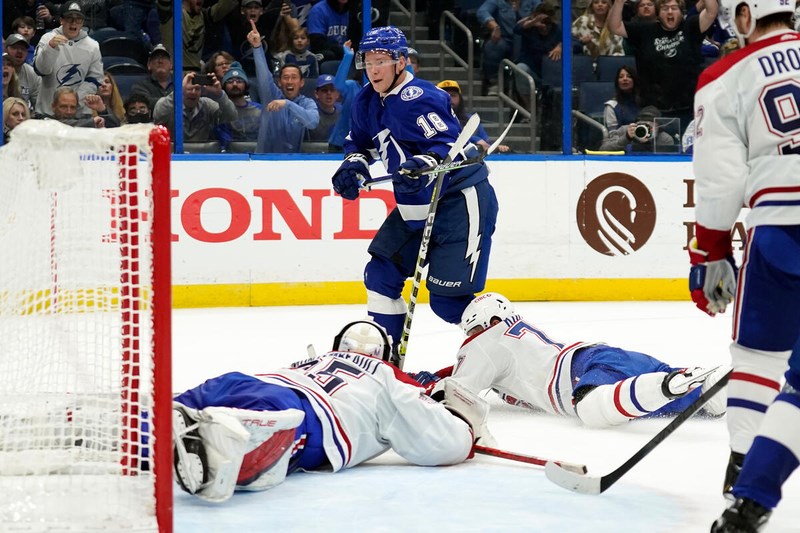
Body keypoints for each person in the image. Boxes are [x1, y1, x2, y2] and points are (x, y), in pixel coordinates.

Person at [688, 0, 800, 528]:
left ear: (745, 15)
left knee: (757, 353)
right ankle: (753, 487)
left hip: (778, 229)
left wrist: (710, 251)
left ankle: (743, 470)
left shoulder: (724, 74)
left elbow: (721, 178)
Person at [171, 320, 488, 502]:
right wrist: (463, 424)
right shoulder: (388, 377)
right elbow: (442, 444)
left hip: (247, 382)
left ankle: (150, 430)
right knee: (250, 444)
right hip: (304, 414)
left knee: (170, 413)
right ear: (386, 356)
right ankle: (218, 445)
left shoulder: (313, 360)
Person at [329, 26, 498, 362]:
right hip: (414, 203)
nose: (373, 69)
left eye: (381, 61)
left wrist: (425, 162)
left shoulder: (422, 97)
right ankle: (384, 364)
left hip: (459, 200)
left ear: (401, 61)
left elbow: (449, 144)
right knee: (380, 276)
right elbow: (358, 143)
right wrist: (353, 165)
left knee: (448, 302)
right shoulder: (365, 100)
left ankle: (517, 351)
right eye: (368, 62)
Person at [414, 293, 729, 431]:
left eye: (471, 330)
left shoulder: (486, 341)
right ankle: (702, 381)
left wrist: (418, 387)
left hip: (584, 372)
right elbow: (456, 374)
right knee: (707, 399)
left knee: (591, 408)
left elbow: (455, 392)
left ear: (487, 323)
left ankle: (668, 384)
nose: (469, 338)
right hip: (605, 358)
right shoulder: (509, 338)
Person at [607, 0, 718, 133]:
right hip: (654, 109)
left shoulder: (691, 26)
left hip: (689, 107)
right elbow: (614, 27)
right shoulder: (645, 30)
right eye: (665, 8)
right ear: (658, 14)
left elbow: (711, 12)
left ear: (681, 13)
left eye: (674, 8)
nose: (670, 12)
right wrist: (619, 2)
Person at [247, 20, 319, 152]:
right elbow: (263, 74)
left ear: (301, 82)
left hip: (291, 162)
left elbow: (313, 123)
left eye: (294, 77)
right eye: (285, 77)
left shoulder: (307, 103)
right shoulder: (271, 95)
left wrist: (287, 104)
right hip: (263, 160)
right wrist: (257, 47)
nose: (289, 81)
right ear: (279, 82)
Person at [32, 2, 103, 119]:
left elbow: (95, 78)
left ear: (82, 23)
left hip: (79, 113)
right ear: (61, 20)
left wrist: (74, 99)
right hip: (48, 112)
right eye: (69, 18)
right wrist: (50, 48)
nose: (73, 23)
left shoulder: (93, 46)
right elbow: (41, 70)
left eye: (78, 19)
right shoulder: (48, 38)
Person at [152, 71, 237, 143]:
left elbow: (231, 116)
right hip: (175, 153)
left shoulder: (208, 105)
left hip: (201, 153)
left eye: (197, 89)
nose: (193, 92)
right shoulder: (169, 104)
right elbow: (158, 115)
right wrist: (178, 91)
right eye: (189, 89)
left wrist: (219, 95)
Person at [477, 0, 539, 96]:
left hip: (528, 40)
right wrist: (495, 27)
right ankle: (494, 82)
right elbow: (482, 12)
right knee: (493, 45)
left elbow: (543, 11)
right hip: (506, 39)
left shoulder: (532, 1)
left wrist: (534, 20)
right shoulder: (497, 1)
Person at [512, 2, 562, 110]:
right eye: (542, 21)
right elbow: (516, 29)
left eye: (547, 22)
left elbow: (574, 42)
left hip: (551, 72)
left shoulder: (557, 29)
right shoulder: (529, 28)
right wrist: (533, 21)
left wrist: (560, 46)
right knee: (521, 68)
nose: (545, 26)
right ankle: (529, 109)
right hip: (532, 69)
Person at [436, 79, 510, 153]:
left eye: (453, 95)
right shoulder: (431, 119)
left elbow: (485, 143)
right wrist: (475, 139)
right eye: (444, 95)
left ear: (460, 99)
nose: (449, 99)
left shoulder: (471, 120)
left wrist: (495, 147)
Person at [214, 61, 262, 150]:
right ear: (224, 86)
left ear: (246, 85)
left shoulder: (259, 109)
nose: (235, 84)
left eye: (239, 81)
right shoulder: (220, 110)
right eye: (230, 81)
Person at [327, 39, 361, 152]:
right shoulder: (352, 86)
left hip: (367, 145)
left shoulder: (381, 90)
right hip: (340, 145)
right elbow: (338, 85)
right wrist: (348, 56)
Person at [130, 44, 175, 110]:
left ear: (171, 64)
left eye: (164, 57)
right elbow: (145, 103)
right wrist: (177, 100)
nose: (160, 61)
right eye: (156, 58)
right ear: (149, 64)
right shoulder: (139, 86)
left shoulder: (181, 83)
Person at [4, 33, 40, 110]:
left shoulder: (31, 73)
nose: (19, 51)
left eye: (23, 49)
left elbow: (38, 106)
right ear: (5, 50)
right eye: (15, 48)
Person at [307, 74, 340, 142]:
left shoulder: (344, 112)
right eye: (324, 90)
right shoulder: (310, 112)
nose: (329, 93)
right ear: (316, 94)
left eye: (332, 90)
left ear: (337, 94)